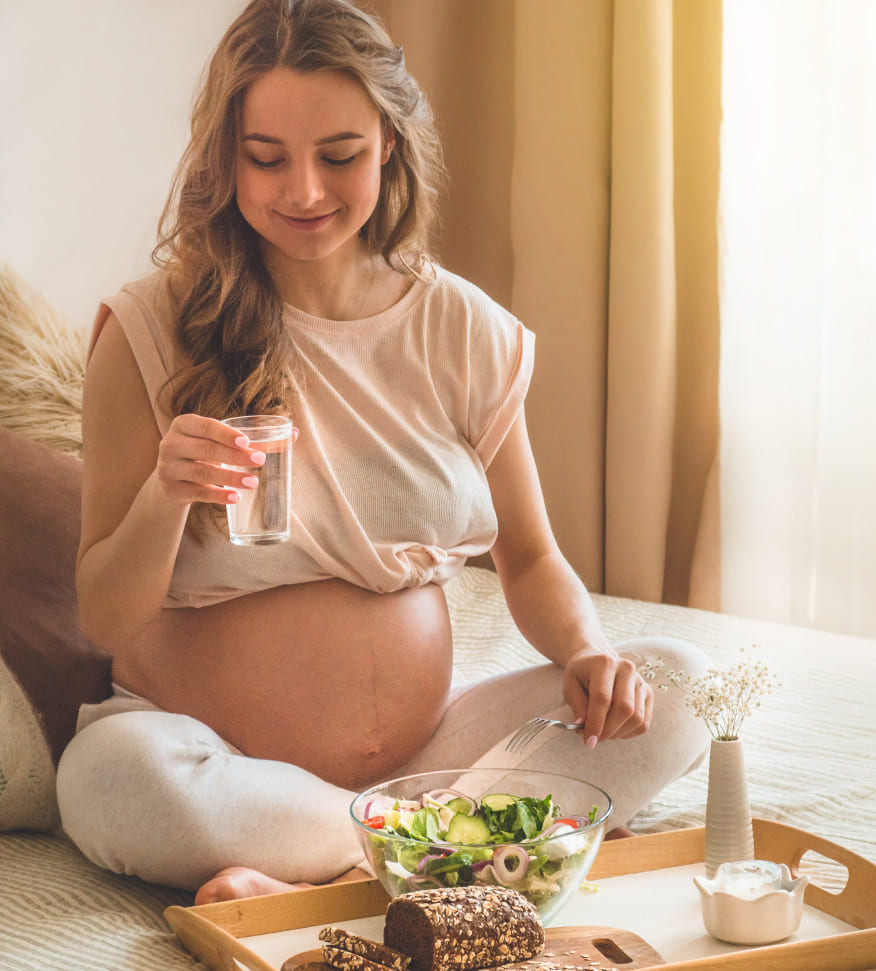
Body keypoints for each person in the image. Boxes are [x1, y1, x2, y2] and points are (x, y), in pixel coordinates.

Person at [56, 0, 710, 905]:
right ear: (224, 155)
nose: (305, 192)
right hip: (213, 752)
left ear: (390, 145)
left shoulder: (460, 327)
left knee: (680, 684)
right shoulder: (149, 330)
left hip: (425, 753)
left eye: (339, 155)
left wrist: (589, 651)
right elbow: (104, 618)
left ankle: (328, 860)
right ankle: (472, 845)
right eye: (266, 157)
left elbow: (528, 557)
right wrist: (167, 493)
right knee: (110, 778)